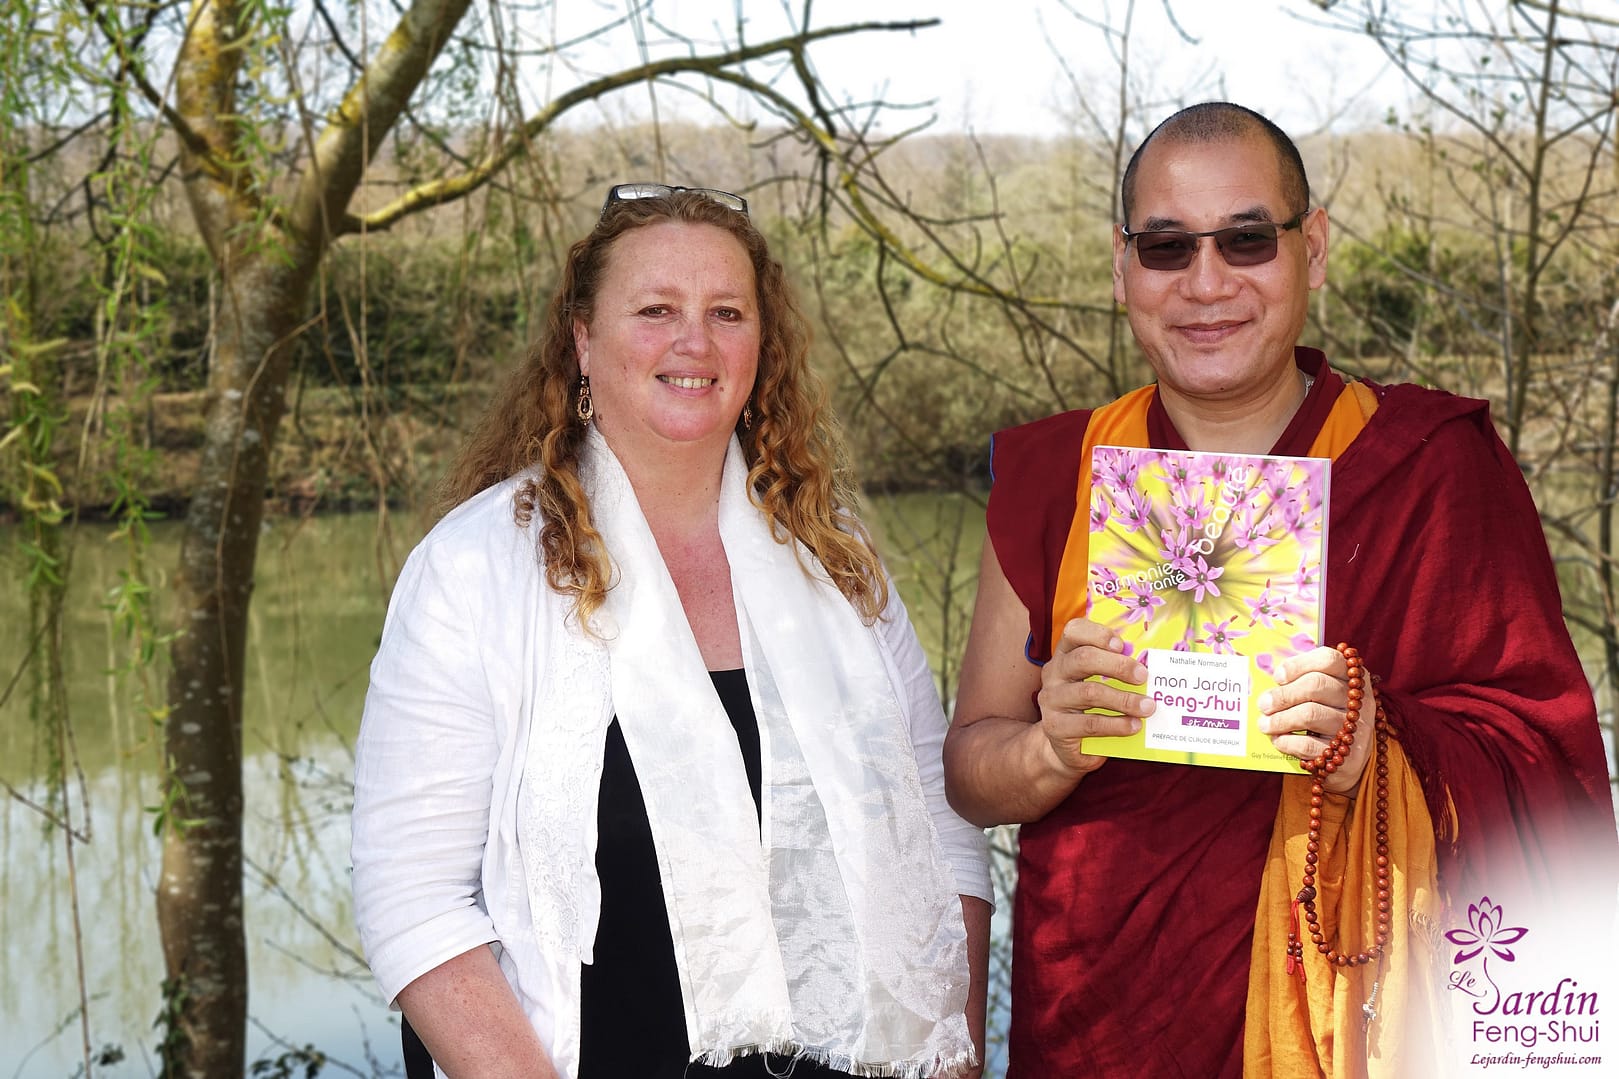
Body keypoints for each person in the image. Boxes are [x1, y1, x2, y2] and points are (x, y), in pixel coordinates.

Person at [943, 103, 1616, 1078]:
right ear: (1121, 267)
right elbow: (969, 769)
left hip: (1356, 1024)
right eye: (1166, 246)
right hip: (1099, 1021)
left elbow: (1545, 771)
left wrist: (1377, 745)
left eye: (1246, 239)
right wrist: (1049, 747)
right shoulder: (1062, 470)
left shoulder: (1427, 466)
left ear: (1314, 247)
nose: (1206, 283)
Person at [352, 184, 991, 1079]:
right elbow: (412, 901)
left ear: (760, 344)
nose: (694, 341)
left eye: (725, 312)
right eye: (655, 309)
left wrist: (953, 1054)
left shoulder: (835, 557)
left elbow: (941, 831)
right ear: (582, 338)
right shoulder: (476, 567)